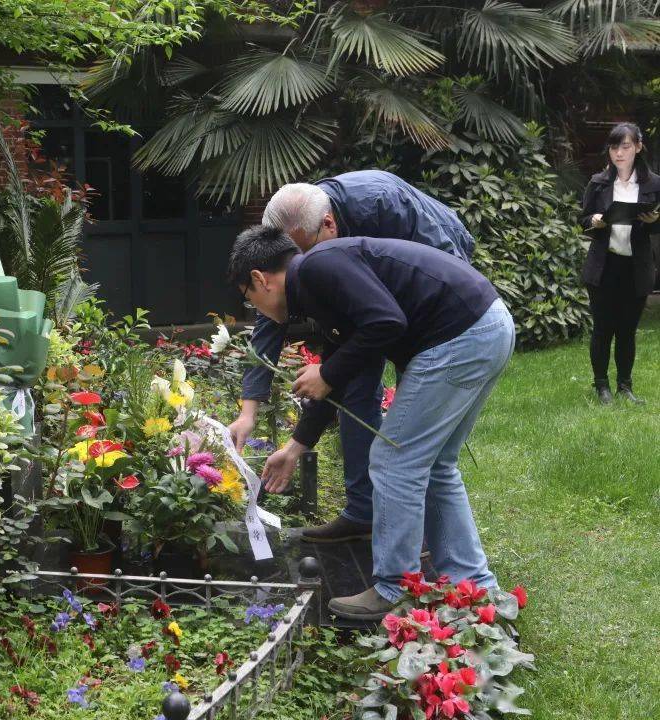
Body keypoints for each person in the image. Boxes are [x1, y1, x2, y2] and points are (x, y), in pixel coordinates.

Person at [227, 226, 514, 620]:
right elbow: (347, 372)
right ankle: (476, 588)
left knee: (394, 461)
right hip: (487, 326)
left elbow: (386, 323)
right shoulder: (320, 282)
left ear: (260, 279)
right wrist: (295, 446)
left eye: (249, 300)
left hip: (459, 335)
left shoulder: (317, 269)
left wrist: (327, 373)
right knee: (436, 465)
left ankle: (395, 588)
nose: (256, 310)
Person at [230, 171, 475, 545]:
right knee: (353, 383)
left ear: (328, 224)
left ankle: (417, 538)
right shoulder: (292, 251)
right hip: (378, 314)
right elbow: (271, 323)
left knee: (411, 442)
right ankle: (364, 512)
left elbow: (440, 275)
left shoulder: (379, 204)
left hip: (436, 296)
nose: (303, 269)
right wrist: (250, 413)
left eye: (305, 256)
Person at [579, 122, 659, 405]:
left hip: (636, 268)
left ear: (638, 146)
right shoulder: (599, 183)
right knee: (603, 328)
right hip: (604, 266)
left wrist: (654, 222)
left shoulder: (654, 184)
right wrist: (596, 221)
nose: (619, 153)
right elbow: (583, 222)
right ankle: (602, 386)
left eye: (625, 146)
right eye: (614, 147)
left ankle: (625, 386)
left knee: (627, 329)